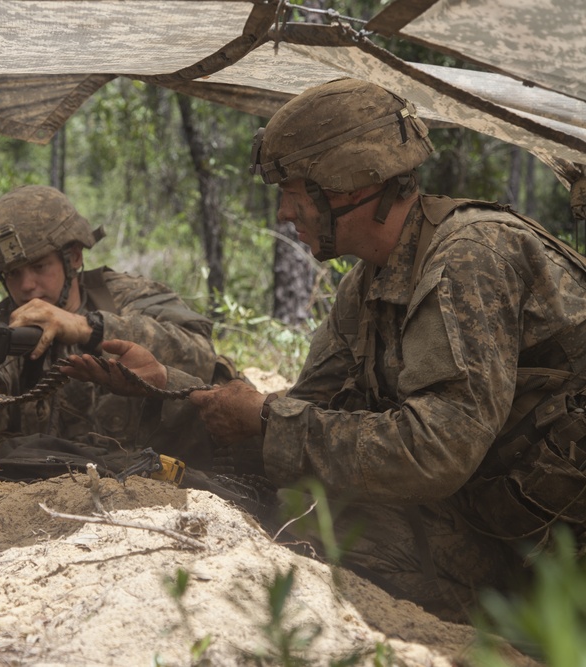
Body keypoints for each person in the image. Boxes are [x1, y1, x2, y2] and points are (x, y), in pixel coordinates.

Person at [60, 78, 586, 621]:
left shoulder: (471, 257)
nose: (285, 214)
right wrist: (166, 385)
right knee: (284, 506)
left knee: (313, 529)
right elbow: (299, 411)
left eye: (293, 190)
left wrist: (268, 420)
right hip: (501, 523)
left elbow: (436, 452)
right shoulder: (366, 286)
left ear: (349, 182)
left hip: (551, 555)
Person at [0, 184, 232, 470]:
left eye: (39, 266)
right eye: (12, 274)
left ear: (73, 257)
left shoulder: (125, 296)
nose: (26, 286)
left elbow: (200, 356)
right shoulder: (5, 326)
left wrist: (89, 328)